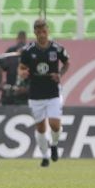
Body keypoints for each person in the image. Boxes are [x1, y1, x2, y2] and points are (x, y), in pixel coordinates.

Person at [18, 19, 70, 167]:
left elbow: (67, 62)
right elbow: (21, 67)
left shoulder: (57, 48)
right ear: (35, 32)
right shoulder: (28, 51)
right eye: (38, 31)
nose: (42, 34)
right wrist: (22, 73)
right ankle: (45, 156)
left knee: (54, 124)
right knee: (40, 127)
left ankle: (54, 144)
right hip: (35, 93)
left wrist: (60, 74)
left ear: (48, 30)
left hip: (53, 92)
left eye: (44, 31)